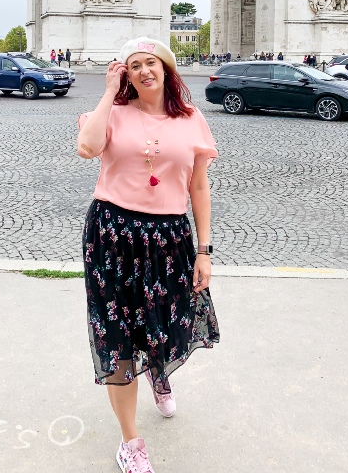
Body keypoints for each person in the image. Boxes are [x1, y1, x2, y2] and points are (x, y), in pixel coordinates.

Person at [77, 37, 220, 473]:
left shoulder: (192, 120)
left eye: (151, 63)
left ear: (167, 70)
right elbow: (87, 147)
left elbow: (198, 187)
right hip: (112, 236)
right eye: (134, 65)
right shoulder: (114, 113)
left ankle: (158, 375)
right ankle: (130, 442)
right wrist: (107, 92)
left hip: (170, 238)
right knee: (117, 334)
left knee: (163, 326)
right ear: (126, 74)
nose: (143, 70)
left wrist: (203, 250)